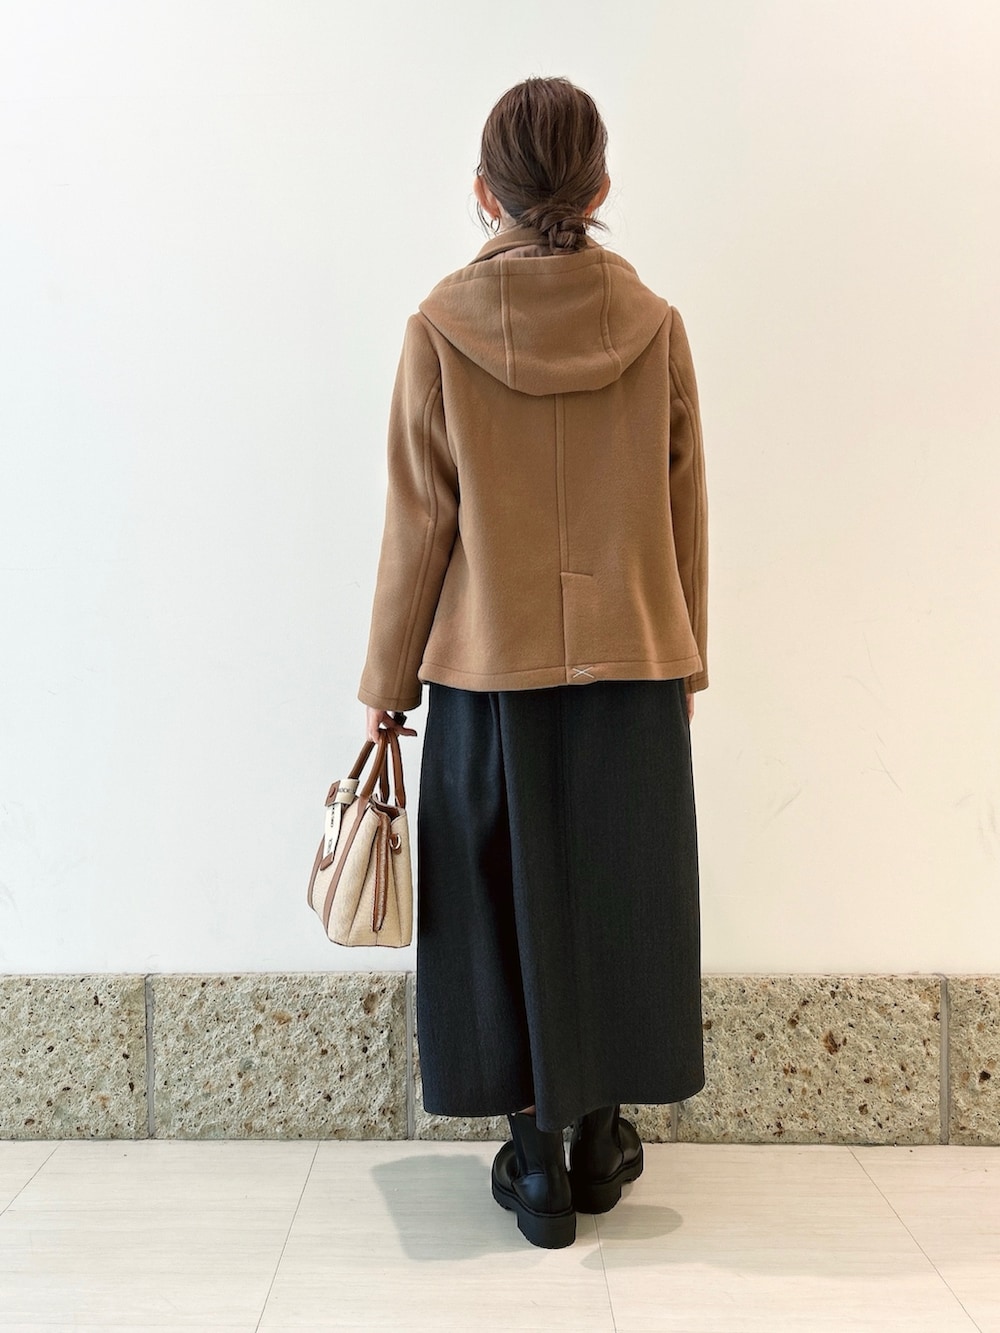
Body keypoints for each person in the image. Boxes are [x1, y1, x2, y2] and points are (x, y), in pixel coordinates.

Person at [357, 75, 709, 1249]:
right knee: (621, 890)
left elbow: (419, 525)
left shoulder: (438, 328)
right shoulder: (654, 324)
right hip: (634, 660)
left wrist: (385, 689)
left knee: (498, 894)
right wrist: (685, 660)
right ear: (599, 189)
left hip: (484, 672)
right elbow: (683, 509)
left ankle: (535, 1162)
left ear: (482, 191)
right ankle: (603, 1139)